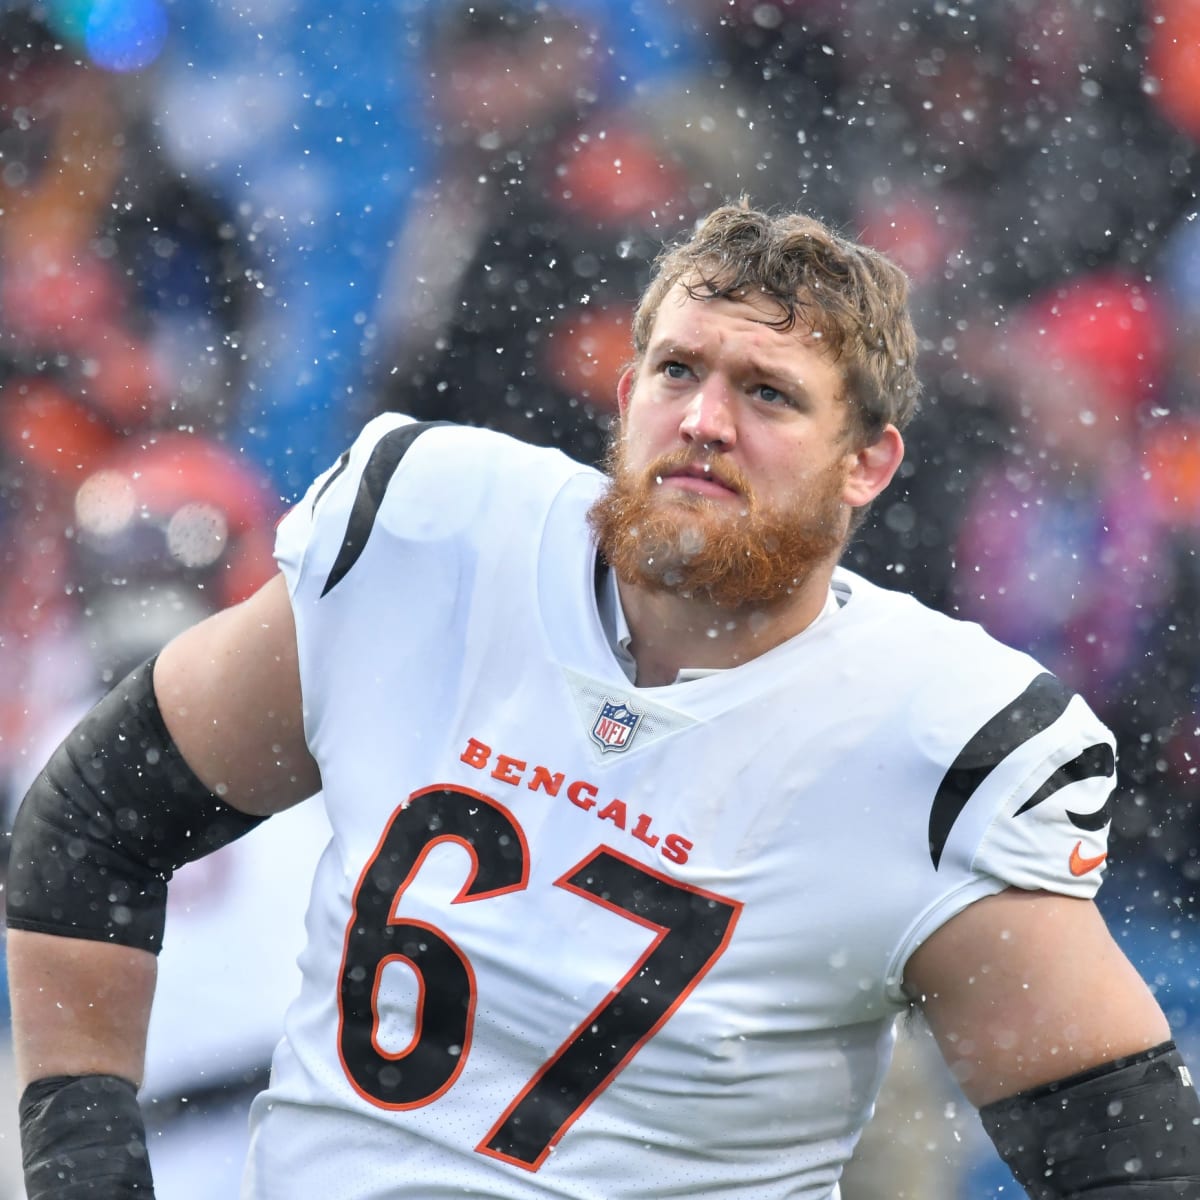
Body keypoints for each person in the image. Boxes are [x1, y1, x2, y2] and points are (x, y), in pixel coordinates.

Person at [7, 201, 1200, 1200]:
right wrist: (82, 1162)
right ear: (625, 394)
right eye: (679, 370)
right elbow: (91, 827)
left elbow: (1123, 1154)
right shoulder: (436, 537)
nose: (705, 420)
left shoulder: (926, 734)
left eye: (770, 394)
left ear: (868, 464)